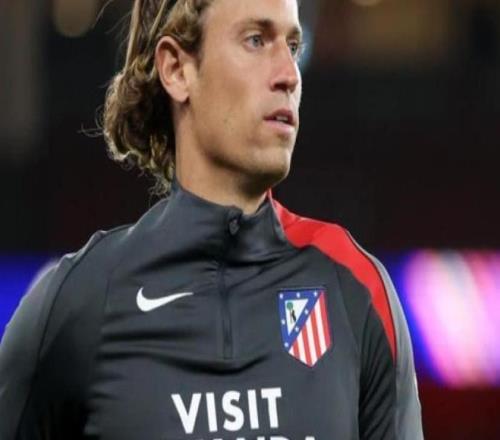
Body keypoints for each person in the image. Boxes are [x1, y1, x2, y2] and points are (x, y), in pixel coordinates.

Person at [0, 0, 424, 438]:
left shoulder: (355, 291)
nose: (289, 75)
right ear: (177, 69)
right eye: (256, 40)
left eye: (293, 46)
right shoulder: (82, 302)